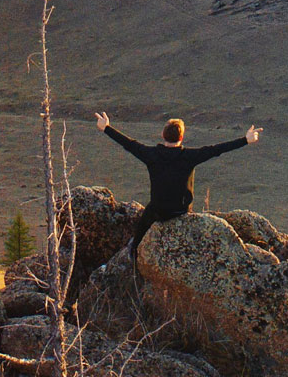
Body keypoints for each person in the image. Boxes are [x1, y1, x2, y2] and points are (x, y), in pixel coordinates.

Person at [92, 112, 260, 277]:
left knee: (137, 238)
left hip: (158, 211)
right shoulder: (189, 156)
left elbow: (129, 143)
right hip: (182, 211)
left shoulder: (151, 155)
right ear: (182, 137)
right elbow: (217, 149)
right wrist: (245, 140)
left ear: (162, 135)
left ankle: (135, 260)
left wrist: (106, 128)